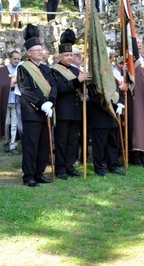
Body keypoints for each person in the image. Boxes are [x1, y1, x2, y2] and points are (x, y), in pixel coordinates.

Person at [18, 25, 57, 187]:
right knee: (31, 145)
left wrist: (51, 101)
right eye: (37, 50)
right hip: (32, 112)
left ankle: (39, 173)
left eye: (41, 50)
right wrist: (41, 104)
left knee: (44, 145)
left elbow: (54, 87)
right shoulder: (23, 68)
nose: (41, 52)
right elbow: (25, 90)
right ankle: (29, 175)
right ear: (29, 53)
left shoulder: (47, 68)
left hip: (47, 111)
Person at [51, 30, 90, 179]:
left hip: (75, 110)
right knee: (62, 141)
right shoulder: (54, 70)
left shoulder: (75, 70)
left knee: (73, 141)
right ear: (60, 56)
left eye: (70, 55)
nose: (69, 58)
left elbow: (80, 88)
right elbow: (61, 88)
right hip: (62, 111)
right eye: (66, 55)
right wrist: (78, 81)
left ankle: (70, 165)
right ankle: (60, 168)